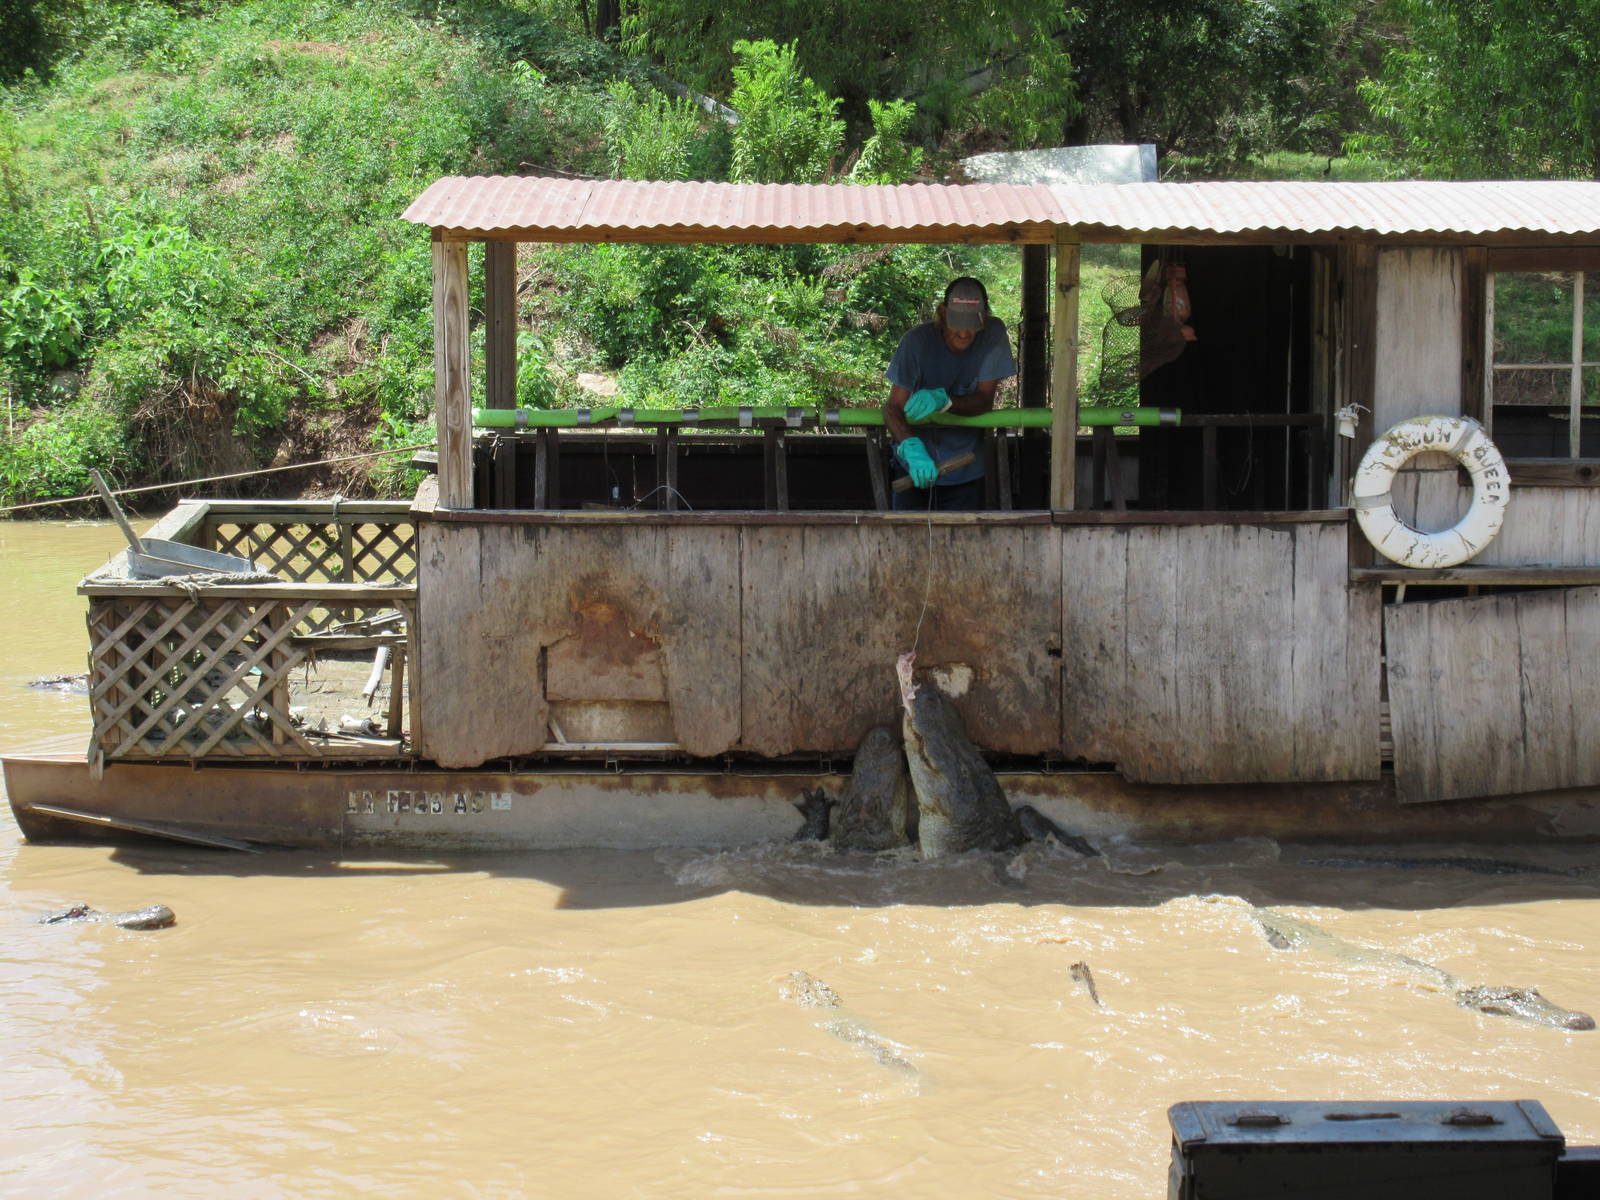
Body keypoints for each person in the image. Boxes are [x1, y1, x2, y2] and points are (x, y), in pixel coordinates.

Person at [883, 276, 1017, 510]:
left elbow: (984, 401)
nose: (964, 333)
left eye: (972, 325)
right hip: (912, 468)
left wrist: (944, 401)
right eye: (957, 323)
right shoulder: (916, 342)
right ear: (943, 314)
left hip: (966, 468)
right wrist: (911, 448)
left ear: (984, 318)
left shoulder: (993, 335)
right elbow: (893, 407)